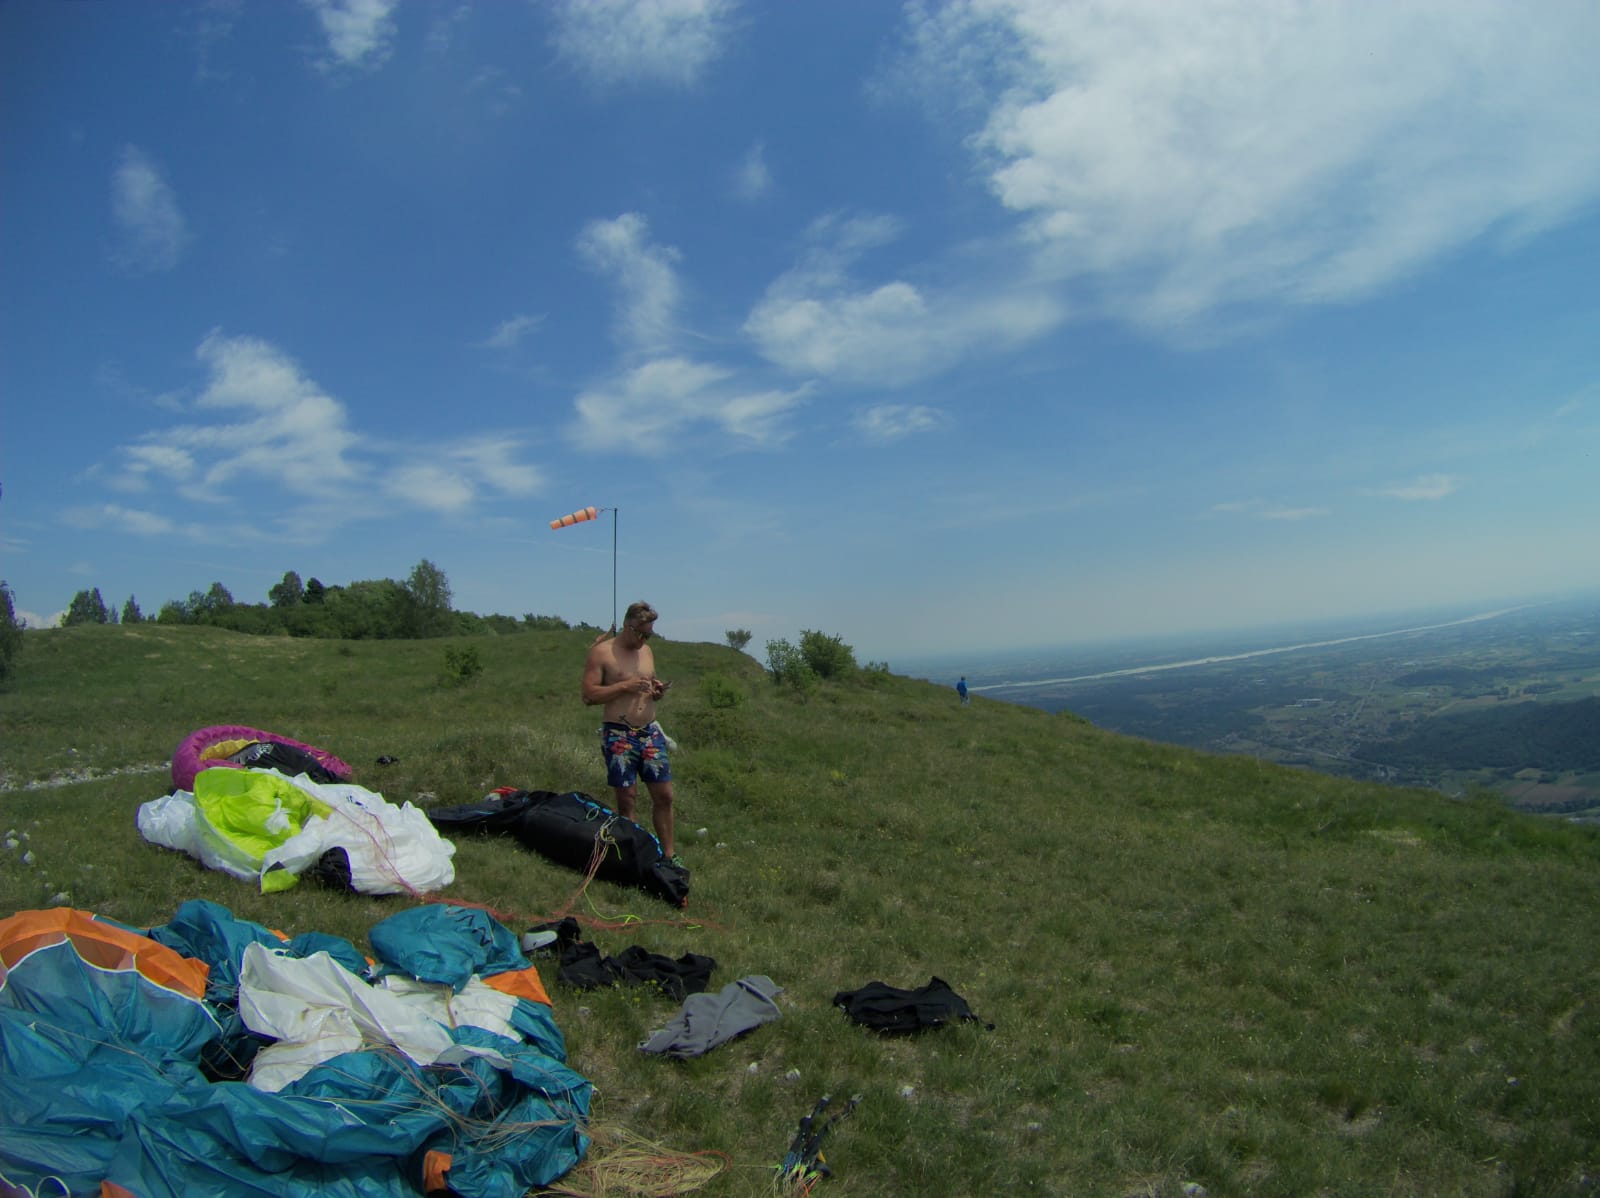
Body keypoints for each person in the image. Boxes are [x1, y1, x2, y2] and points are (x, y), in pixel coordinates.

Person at [581, 600, 681, 865]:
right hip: (619, 733)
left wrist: (656, 691)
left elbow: (647, 685)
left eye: (649, 635)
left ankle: (669, 856)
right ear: (628, 626)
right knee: (627, 799)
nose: (644, 640)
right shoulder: (602, 653)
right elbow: (589, 695)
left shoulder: (646, 651)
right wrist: (625, 686)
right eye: (641, 634)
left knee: (665, 796)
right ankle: (632, 856)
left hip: (649, 731)